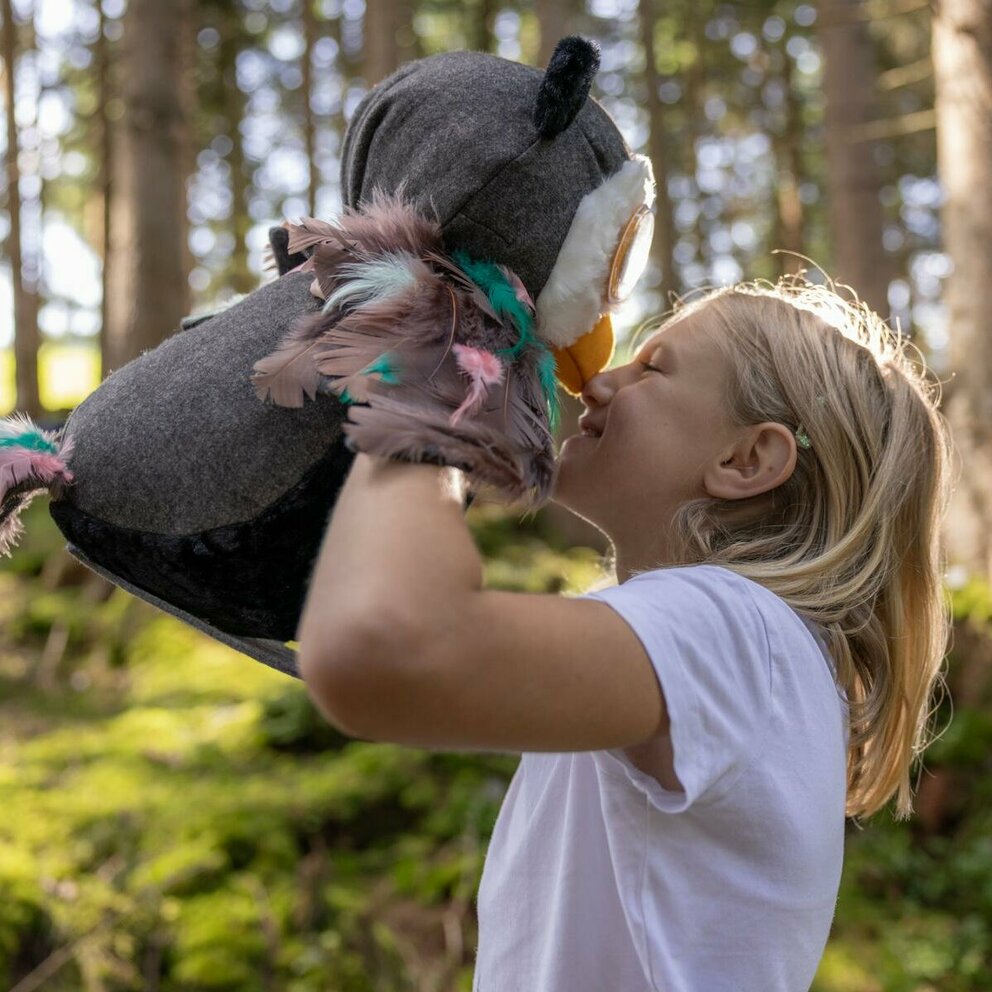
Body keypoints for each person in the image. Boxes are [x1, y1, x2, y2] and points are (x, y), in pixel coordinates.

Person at [295, 271, 954, 992]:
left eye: (653, 368)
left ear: (747, 460)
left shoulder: (737, 632)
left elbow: (388, 645)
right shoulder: (745, 649)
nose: (598, 384)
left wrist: (438, 390)